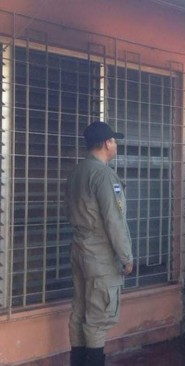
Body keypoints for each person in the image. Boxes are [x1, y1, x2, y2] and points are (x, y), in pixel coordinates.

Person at [65, 121, 134, 366]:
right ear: (106, 143)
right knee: (98, 317)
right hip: (100, 255)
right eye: (114, 141)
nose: (115, 145)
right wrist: (126, 257)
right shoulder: (103, 174)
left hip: (80, 248)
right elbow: (114, 220)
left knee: (80, 312)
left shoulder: (77, 171)